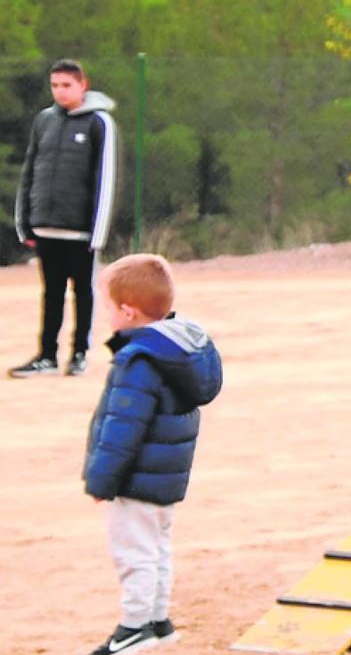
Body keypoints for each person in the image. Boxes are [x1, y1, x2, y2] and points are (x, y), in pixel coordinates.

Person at [83, 253, 223, 654]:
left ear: (128, 312)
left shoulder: (139, 360)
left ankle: (134, 626)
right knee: (156, 548)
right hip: (163, 477)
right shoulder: (173, 351)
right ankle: (157, 620)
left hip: (137, 478)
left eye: (108, 307)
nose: (106, 315)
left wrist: (102, 479)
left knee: (134, 554)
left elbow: (122, 430)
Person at [9, 59, 119, 378]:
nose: (60, 91)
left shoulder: (99, 123)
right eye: (55, 85)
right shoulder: (44, 120)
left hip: (80, 232)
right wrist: (25, 223)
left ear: (82, 85)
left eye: (66, 85)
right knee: (51, 293)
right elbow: (30, 171)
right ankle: (46, 356)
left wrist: (97, 233)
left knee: (82, 291)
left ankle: (79, 354)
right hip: (45, 227)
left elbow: (105, 179)